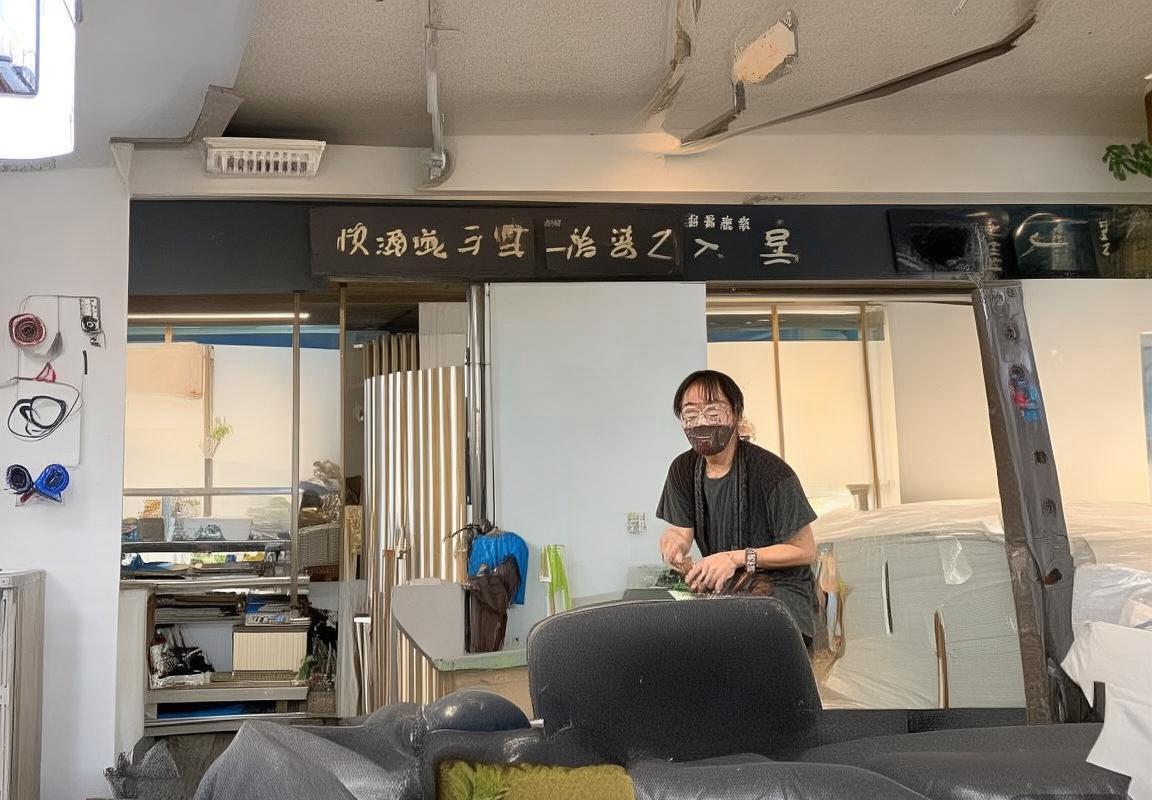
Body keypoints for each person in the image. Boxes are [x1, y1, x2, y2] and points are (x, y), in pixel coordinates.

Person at [657, 370, 819, 648]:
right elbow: (681, 533)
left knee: (737, 644)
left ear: (735, 413)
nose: (701, 422)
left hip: (781, 596)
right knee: (665, 619)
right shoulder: (682, 469)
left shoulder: (771, 472)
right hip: (729, 588)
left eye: (713, 411)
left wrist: (735, 558)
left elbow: (805, 550)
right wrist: (674, 544)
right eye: (691, 414)